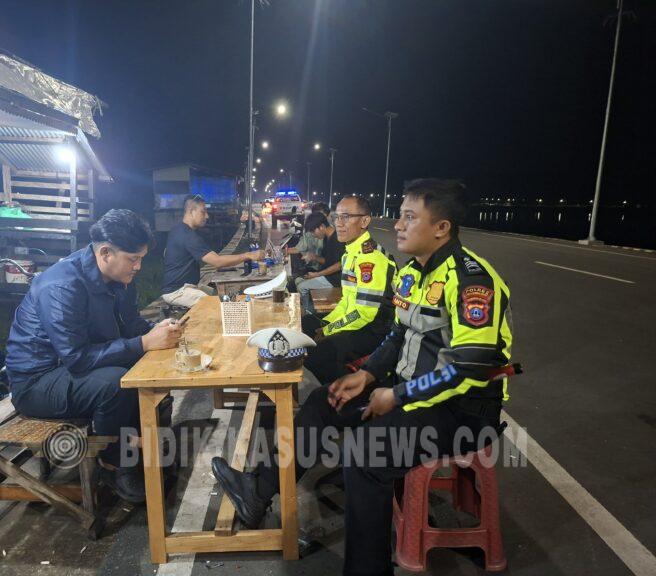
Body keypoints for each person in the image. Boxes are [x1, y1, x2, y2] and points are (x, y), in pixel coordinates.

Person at [212, 179, 513, 576]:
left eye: (409, 217)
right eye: (401, 215)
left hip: (462, 411)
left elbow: (469, 367)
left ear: (442, 228)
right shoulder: (414, 272)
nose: (400, 225)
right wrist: (370, 375)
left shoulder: (473, 280)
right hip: (415, 397)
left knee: (366, 455)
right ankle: (259, 491)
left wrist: (398, 395)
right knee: (325, 401)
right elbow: (399, 332)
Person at [6, 209, 183, 504]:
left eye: (141, 258)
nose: (138, 266)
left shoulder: (119, 278)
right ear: (105, 252)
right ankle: (113, 464)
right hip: (38, 381)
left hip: (73, 368)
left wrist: (160, 332)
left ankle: (147, 446)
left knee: (155, 366)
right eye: (133, 259)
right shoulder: (62, 285)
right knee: (116, 383)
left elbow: (132, 324)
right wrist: (143, 343)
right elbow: (76, 358)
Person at [301, 195, 397, 384]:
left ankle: (345, 392)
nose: (339, 223)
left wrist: (329, 330)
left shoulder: (370, 259)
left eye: (346, 217)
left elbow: (365, 313)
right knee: (306, 325)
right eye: (337, 217)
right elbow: (347, 300)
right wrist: (327, 323)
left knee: (318, 352)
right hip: (358, 321)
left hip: (376, 329)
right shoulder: (350, 254)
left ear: (365, 221)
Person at [161, 195, 263, 307]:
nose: (207, 216)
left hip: (185, 287)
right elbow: (217, 261)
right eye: (203, 212)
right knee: (217, 306)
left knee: (220, 296)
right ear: (191, 211)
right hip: (178, 291)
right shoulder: (188, 236)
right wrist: (249, 255)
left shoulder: (178, 229)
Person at [293, 211, 344, 313]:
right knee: (297, 280)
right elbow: (328, 261)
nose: (313, 235)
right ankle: (309, 308)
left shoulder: (337, 239)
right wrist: (314, 257)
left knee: (302, 287)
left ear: (321, 226)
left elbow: (339, 265)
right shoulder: (327, 238)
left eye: (313, 231)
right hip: (327, 275)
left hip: (335, 280)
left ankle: (309, 314)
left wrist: (317, 274)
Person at [286, 202, 330, 275]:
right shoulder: (310, 232)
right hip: (313, 268)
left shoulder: (334, 235)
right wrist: (280, 251)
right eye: (316, 216)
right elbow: (298, 248)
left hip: (326, 272)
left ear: (327, 216)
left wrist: (318, 273)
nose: (318, 219)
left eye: (321, 216)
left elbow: (337, 264)